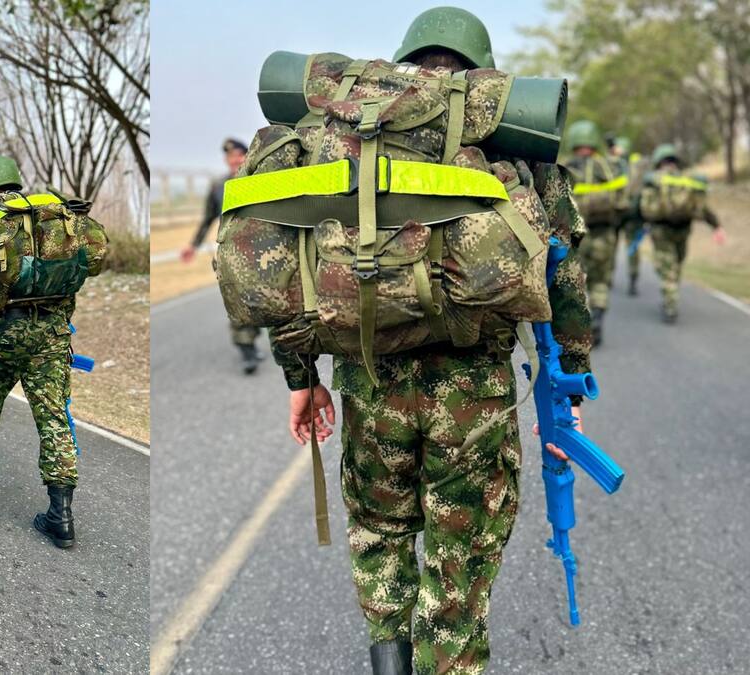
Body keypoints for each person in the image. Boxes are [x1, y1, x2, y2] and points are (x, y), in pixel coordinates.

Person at [256, 8, 593, 673]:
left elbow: (283, 259)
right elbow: (563, 272)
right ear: (483, 70)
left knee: (380, 531)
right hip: (475, 393)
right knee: (456, 563)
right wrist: (571, 381)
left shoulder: (344, 132)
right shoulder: (513, 136)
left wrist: (302, 379)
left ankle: (389, 661)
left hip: (370, 379)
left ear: (405, 60)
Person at [0, 155, 107, 549]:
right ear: (15, 183)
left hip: (2, 335)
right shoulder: (53, 214)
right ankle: (60, 515)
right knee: (53, 417)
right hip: (51, 335)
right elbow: (93, 261)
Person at [180, 139, 263, 373]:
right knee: (237, 300)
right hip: (231, 253)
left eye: (239, 155)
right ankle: (247, 350)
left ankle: (258, 340)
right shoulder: (218, 187)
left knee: (264, 300)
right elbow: (207, 219)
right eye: (231, 157)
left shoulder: (262, 180)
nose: (235, 160)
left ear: (248, 156)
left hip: (263, 251)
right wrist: (192, 246)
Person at [637, 144, 727, 323]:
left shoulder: (654, 180)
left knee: (666, 267)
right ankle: (671, 295)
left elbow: (641, 207)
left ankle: (670, 305)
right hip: (683, 230)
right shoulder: (688, 180)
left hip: (660, 231)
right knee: (676, 264)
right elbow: (703, 208)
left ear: (658, 161)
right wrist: (716, 226)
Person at [565, 119, 626, 346]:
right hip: (605, 234)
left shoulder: (566, 168)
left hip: (575, 238)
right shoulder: (609, 167)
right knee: (601, 281)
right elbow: (622, 203)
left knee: (577, 282)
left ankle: (580, 327)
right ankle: (598, 318)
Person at [610, 136, 648, 295]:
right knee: (632, 247)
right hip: (633, 214)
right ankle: (633, 278)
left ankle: (608, 277)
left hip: (618, 212)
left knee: (612, 244)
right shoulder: (639, 164)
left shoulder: (614, 164)